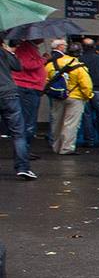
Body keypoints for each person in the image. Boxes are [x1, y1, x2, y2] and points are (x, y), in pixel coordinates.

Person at [44, 41, 94, 155]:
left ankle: (56, 146)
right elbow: (86, 84)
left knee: (57, 123)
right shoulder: (78, 65)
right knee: (70, 124)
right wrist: (88, 96)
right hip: (75, 97)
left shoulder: (50, 65)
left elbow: (45, 80)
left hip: (57, 96)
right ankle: (66, 148)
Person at [0, 42, 35, 179]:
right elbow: (18, 67)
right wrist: (8, 51)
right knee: (18, 133)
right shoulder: (4, 53)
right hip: (9, 94)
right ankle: (23, 168)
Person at [8, 38, 46, 156]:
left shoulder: (29, 48)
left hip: (29, 87)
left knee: (27, 121)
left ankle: (24, 150)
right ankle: (22, 152)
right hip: (28, 87)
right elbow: (26, 64)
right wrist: (44, 59)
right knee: (28, 122)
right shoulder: (26, 48)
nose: (43, 38)